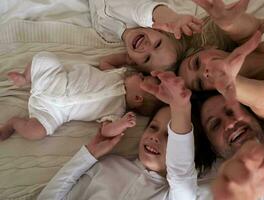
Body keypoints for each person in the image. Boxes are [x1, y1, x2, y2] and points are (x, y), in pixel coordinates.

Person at [38, 71, 204, 199]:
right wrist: (89, 155)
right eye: (153, 127)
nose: (155, 137)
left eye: (170, 136)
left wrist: (180, 108)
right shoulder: (108, 165)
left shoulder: (176, 195)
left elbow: (180, 171)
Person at [0, 51, 163, 141]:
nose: (138, 74)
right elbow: (105, 62)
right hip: (56, 81)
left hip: (53, 112)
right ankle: (25, 78)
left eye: (141, 78)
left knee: (36, 132)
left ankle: (13, 124)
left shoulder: (117, 111)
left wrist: (122, 125)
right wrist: (125, 58)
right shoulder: (118, 75)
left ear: (137, 98)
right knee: (45, 58)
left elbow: (106, 131)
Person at [93, 0, 204, 73]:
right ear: (159, 30)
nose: (147, 47)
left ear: (132, 61)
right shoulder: (139, 16)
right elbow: (148, 11)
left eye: (147, 59)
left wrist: (127, 59)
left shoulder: (107, 35)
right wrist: (173, 19)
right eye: (158, 44)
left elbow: (105, 62)